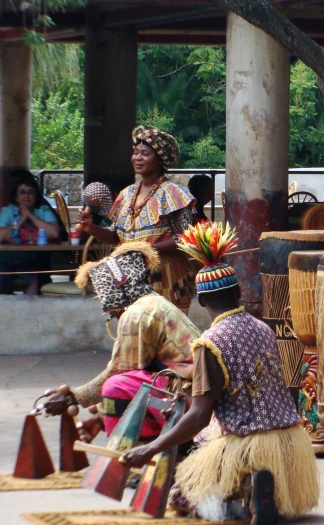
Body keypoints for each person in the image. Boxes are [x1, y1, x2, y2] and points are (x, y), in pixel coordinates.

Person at [119, 222, 319, 525]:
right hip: (291, 443)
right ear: (238, 292)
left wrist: (151, 448)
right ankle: (265, 493)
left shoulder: (209, 342)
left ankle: (246, 495)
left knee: (182, 496)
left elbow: (200, 416)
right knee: (206, 439)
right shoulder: (263, 328)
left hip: (248, 444)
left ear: (201, 300)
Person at [41, 241, 201, 443]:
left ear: (115, 292)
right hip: (193, 389)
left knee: (114, 387)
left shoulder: (136, 313)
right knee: (121, 386)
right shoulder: (153, 302)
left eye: (101, 295)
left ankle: (128, 454)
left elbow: (119, 374)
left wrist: (72, 397)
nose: (102, 303)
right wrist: (100, 417)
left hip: (188, 394)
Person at [75, 126, 197, 313]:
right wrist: (91, 228)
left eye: (145, 154)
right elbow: (115, 237)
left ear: (160, 159)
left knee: (167, 333)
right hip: (130, 273)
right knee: (132, 330)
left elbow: (186, 238)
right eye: (136, 153)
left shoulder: (173, 193)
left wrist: (145, 249)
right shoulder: (127, 194)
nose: (137, 157)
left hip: (166, 274)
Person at [0, 170, 63, 295]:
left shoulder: (42, 210)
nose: (26, 196)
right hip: (9, 258)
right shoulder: (8, 211)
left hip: (35, 256)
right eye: (22, 192)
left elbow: (54, 233)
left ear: (35, 195)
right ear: (16, 197)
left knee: (39, 275)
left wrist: (30, 215)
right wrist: (21, 220)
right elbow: (1, 236)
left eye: (30, 192)